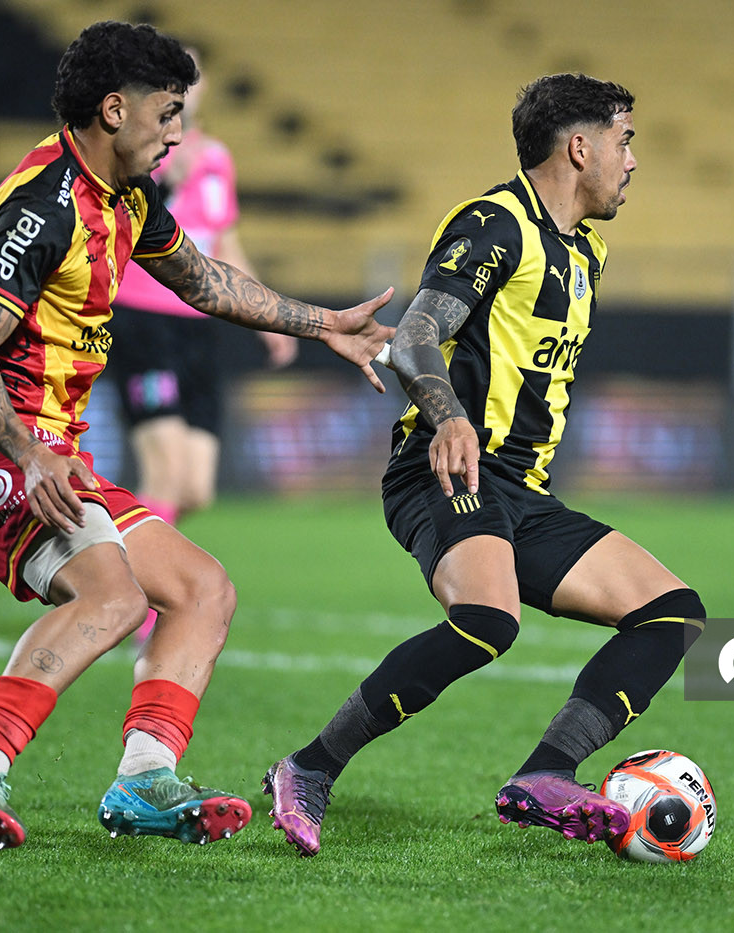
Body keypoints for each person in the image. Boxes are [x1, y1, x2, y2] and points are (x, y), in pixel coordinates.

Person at [0, 21, 393, 851]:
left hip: (56, 450)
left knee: (204, 589)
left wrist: (324, 326)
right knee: (113, 596)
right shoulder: (43, 204)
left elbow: (205, 281)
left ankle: (143, 780)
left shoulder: (128, 198)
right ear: (114, 108)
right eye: (167, 114)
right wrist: (28, 454)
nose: (177, 132)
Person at [263, 74, 706, 858]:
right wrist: (450, 415)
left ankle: (545, 772)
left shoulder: (585, 254)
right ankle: (307, 767)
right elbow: (416, 335)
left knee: (673, 610)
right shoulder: (495, 224)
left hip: (522, 492)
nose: (632, 160)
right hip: (443, 468)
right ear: (580, 146)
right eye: (624, 139)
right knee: (488, 619)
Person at [111, 48, 296, 534]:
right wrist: (166, 179)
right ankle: (137, 599)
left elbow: (226, 245)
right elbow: (113, 225)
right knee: (165, 472)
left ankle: (115, 554)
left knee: (195, 488)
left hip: (197, 324)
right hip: (142, 320)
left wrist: (270, 318)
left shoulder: (216, 158)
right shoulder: (131, 153)